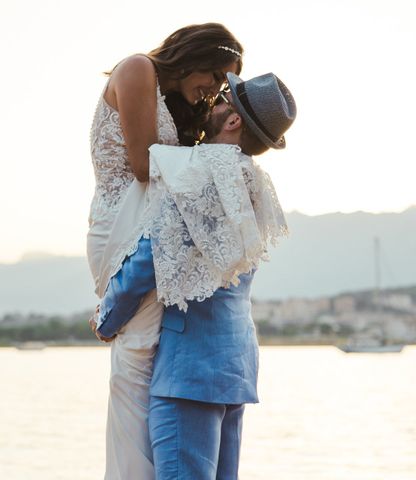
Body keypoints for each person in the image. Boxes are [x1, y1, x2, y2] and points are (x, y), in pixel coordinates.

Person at [92, 72, 297, 479]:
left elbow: (153, 254)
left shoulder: (201, 172)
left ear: (234, 120)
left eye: (223, 99)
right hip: (236, 365)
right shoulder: (253, 181)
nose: (213, 104)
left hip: (190, 373)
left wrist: (107, 316)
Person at [87, 24, 244, 479]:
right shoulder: (138, 69)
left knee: (149, 360)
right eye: (215, 76)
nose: (214, 90)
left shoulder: (180, 106)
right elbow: (142, 166)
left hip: (152, 227)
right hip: (121, 226)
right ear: (195, 54)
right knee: (136, 364)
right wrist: (218, 159)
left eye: (222, 85)